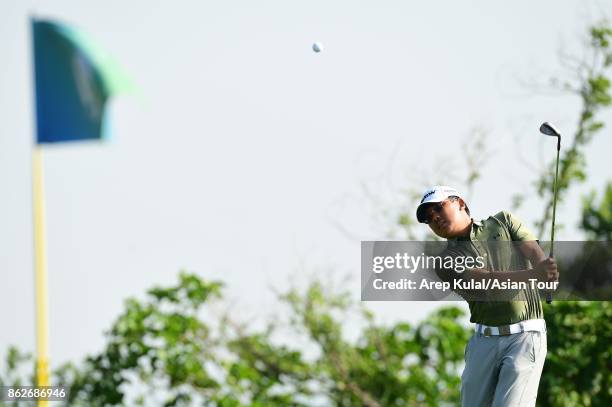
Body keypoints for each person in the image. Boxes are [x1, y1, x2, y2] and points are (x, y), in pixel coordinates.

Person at [416, 186, 559, 407]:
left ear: (460, 202)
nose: (434, 217)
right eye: (428, 218)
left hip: (525, 337)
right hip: (483, 343)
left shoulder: (504, 221)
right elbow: (487, 283)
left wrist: (545, 269)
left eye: (439, 207)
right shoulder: (444, 261)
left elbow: (532, 250)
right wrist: (534, 274)